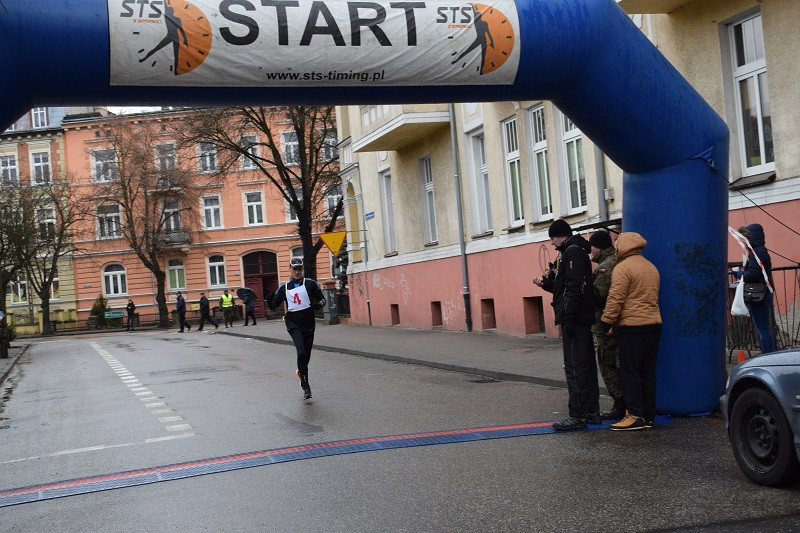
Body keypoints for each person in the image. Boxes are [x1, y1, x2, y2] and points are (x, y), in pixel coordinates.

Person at [533, 219, 600, 431]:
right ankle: (592, 413)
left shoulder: (571, 252)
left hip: (576, 319)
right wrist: (546, 284)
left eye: (552, 238)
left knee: (575, 367)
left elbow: (573, 288)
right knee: (586, 366)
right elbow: (565, 287)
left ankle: (577, 415)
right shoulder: (576, 251)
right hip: (581, 318)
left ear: (560, 235)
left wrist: (568, 317)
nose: (551, 243)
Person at [600, 232, 662, 431]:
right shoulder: (650, 266)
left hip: (632, 327)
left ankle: (634, 415)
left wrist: (606, 321)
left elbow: (615, 297)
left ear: (623, 247)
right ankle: (648, 416)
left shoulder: (623, 268)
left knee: (629, 372)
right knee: (647, 372)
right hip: (654, 326)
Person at [266, 257, 326, 400]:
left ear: (302, 269)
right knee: (300, 351)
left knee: (306, 356)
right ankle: (306, 386)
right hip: (293, 323)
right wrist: (269, 300)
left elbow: (322, 299)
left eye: (299, 269)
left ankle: (301, 371)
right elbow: (273, 306)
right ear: (290, 269)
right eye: (295, 269)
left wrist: (318, 305)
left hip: (309, 323)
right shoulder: (284, 287)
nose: (297, 272)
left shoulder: (311, 284)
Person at [589, 230, 625, 421]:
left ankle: (620, 404)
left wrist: (583, 286)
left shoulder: (606, 266)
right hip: (617, 323)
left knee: (608, 363)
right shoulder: (617, 260)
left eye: (592, 246)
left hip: (608, 325)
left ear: (599, 247)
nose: (590, 250)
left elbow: (600, 295)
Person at [734, 223, 774, 354]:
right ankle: (769, 354)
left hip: (759, 294)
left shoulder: (756, 253)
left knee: (762, 329)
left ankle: (768, 356)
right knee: (764, 328)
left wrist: (739, 274)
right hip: (764, 292)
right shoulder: (760, 251)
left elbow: (752, 274)